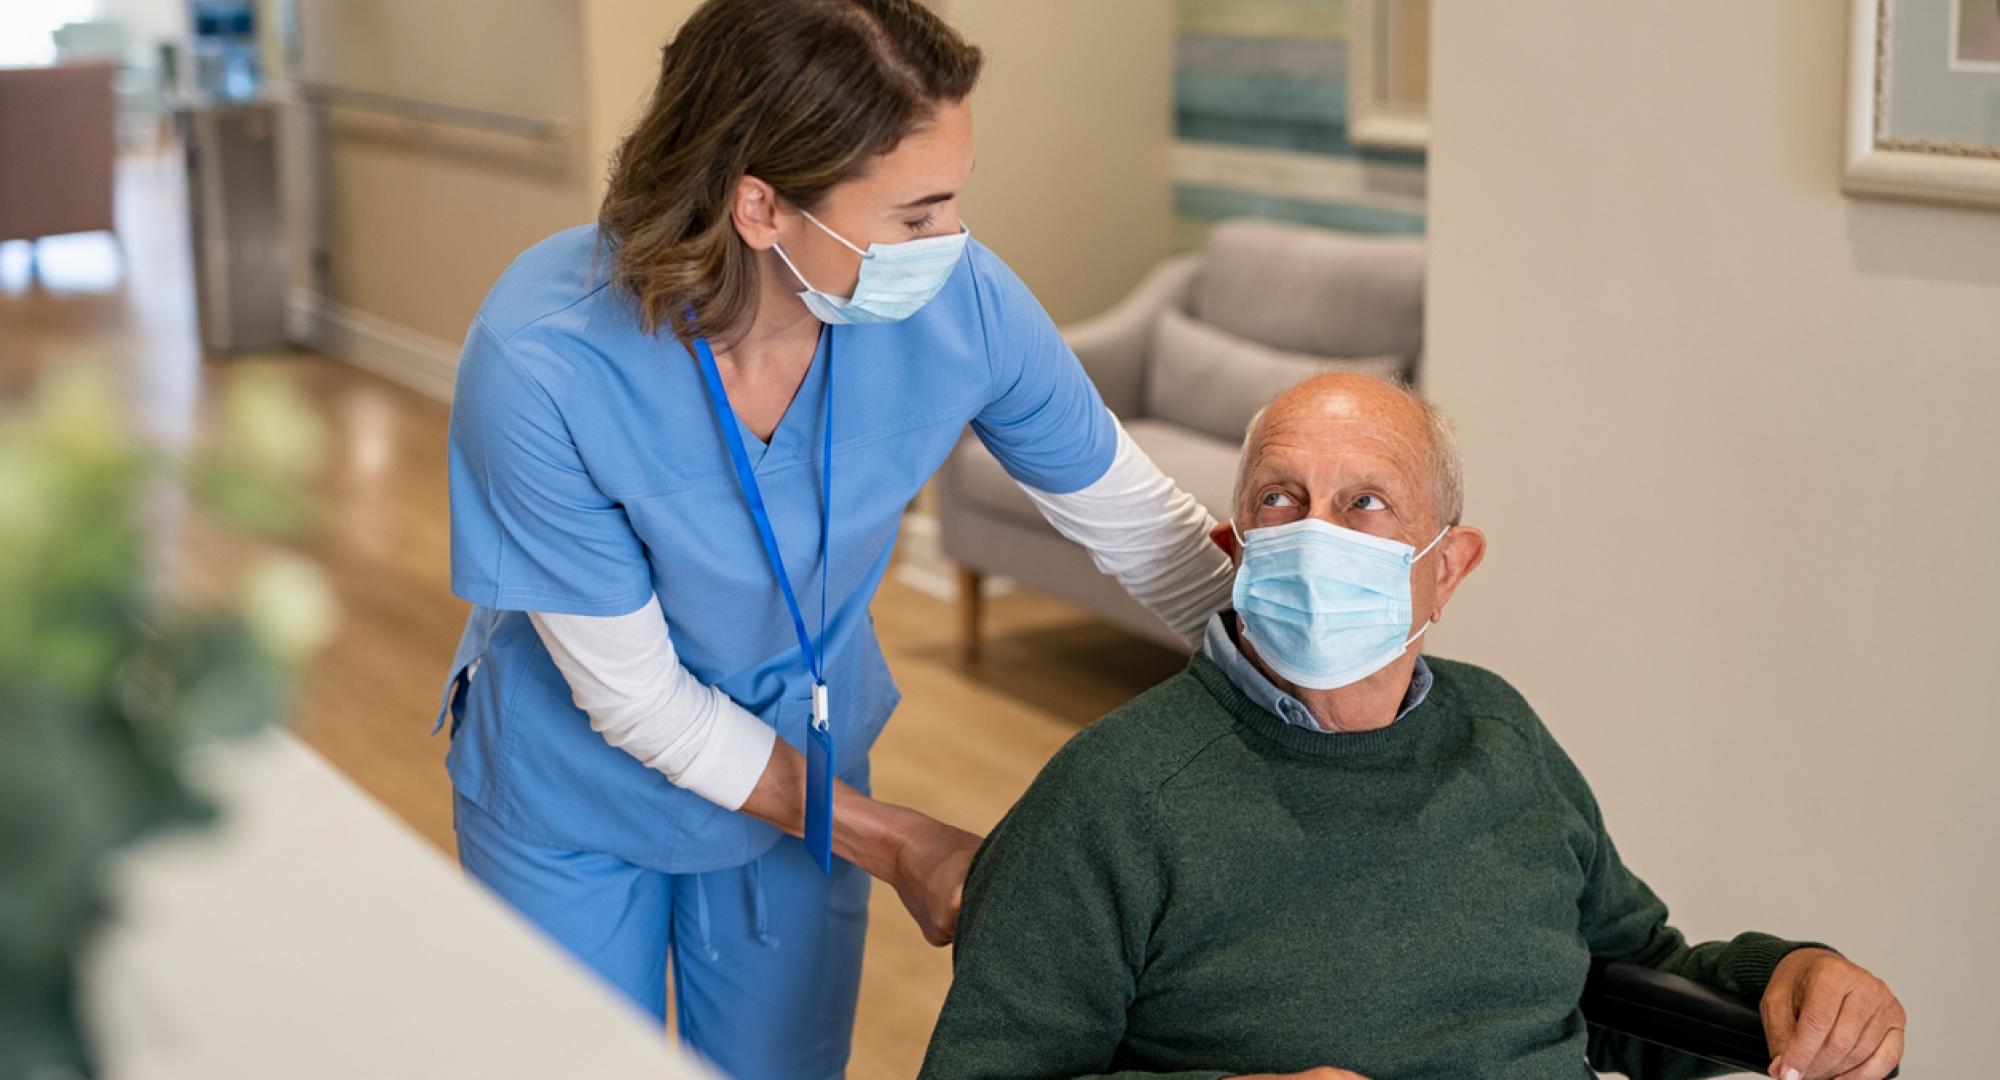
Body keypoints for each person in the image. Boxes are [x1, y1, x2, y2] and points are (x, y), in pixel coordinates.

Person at [434, 1, 1236, 1076]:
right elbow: (634, 700)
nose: (950, 243)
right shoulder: (546, 361)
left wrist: (1309, 668)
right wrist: (893, 836)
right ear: (759, 206)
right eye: (915, 214)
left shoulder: (961, 302)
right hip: (577, 788)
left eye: (953, 199)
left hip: (799, 755)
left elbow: (1146, 533)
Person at [919, 374, 1906, 1080]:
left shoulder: (1502, 735)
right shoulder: (1111, 799)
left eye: (1364, 504)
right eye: (1279, 499)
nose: (1315, 534)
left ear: (1450, 563)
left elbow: (1629, 982)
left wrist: (1789, 973)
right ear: (1236, 548)